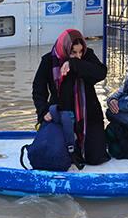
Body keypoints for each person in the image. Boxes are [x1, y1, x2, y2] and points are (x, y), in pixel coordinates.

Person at [32, 29, 110, 165]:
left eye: (80, 51)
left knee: (95, 159)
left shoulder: (87, 56)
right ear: (65, 48)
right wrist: (43, 111)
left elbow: (101, 73)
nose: (79, 55)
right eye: (73, 52)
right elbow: (39, 90)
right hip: (61, 115)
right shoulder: (48, 61)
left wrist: (74, 63)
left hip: (88, 115)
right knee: (61, 156)